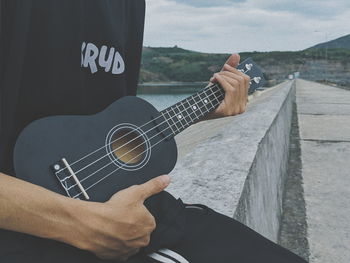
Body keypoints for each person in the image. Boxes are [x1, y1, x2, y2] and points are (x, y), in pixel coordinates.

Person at [0, 1, 307, 262]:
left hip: (128, 218)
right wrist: (79, 221)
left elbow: (97, 133)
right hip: (30, 232)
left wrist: (201, 109)